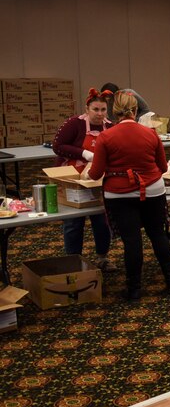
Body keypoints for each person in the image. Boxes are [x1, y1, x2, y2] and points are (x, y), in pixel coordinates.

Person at [86, 91, 170, 301]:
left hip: (119, 194)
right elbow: (163, 167)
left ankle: (134, 289)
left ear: (114, 113)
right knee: (158, 234)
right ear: (135, 111)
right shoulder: (151, 134)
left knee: (132, 241)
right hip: (153, 189)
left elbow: (95, 174)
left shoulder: (106, 137)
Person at [51, 88, 114, 271]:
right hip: (72, 179)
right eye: (95, 109)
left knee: (101, 221)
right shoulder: (74, 124)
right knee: (73, 222)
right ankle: (73, 262)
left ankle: (102, 257)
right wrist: (85, 154)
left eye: (103, 110)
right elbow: (58, 146)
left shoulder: (110, 126)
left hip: (97, 180)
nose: (100, 114)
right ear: (87, 109)